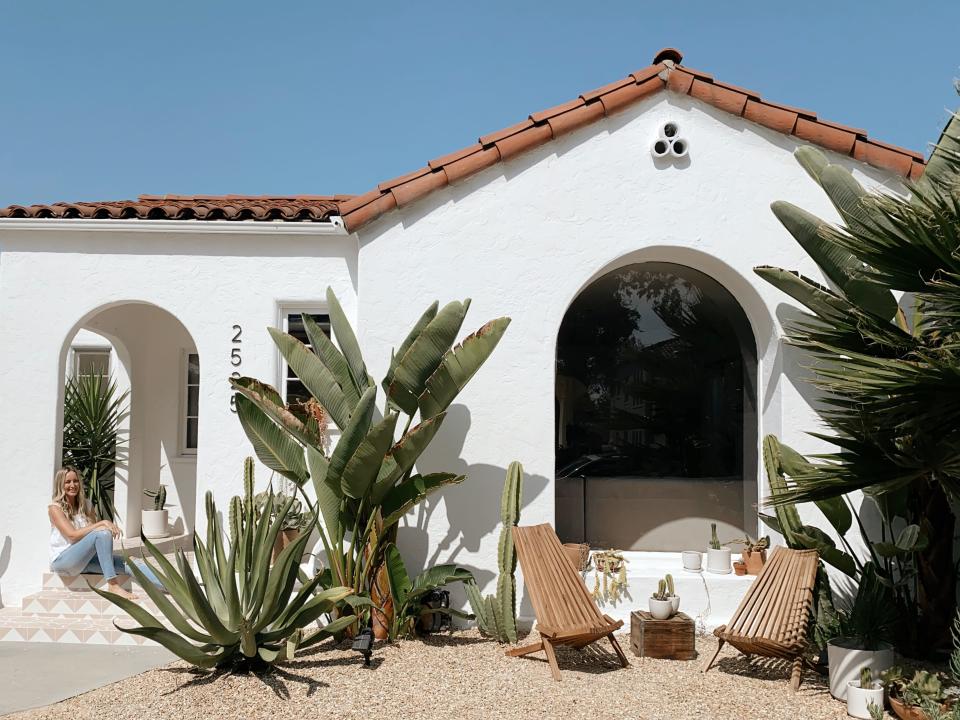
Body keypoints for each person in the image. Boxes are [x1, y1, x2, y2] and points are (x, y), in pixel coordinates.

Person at [48, 466, 163, 599]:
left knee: (132, 562)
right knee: (102, 533)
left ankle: (172, 588)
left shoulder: (87, 505)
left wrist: (101, 531)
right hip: (64, 562)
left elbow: (92, 537)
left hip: (84, 560)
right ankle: (113, 585)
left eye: (75, 481)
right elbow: (72, 536)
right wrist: (102, 522)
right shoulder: (54, 508)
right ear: (60, 485)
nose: (72, 485)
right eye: (67, 482)